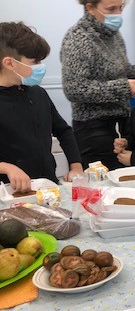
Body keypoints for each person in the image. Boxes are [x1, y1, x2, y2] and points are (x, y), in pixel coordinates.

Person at [61, 0, 135, 171]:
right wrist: (124, 88)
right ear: (90, 7)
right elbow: (74, 89)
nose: (117, 14)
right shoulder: (77, 38)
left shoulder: (113, 35)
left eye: (120, 8)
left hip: (123, 121)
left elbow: (123, 71)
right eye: (110, 9)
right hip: (93, 129)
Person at [0, 22, 83, 190]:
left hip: (47, 185)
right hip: (9, 192)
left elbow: (63, 131)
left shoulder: (37, 93)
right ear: (9, 63)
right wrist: (6, 167)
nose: (40, 67)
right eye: (34, 62)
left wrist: (76, 165)